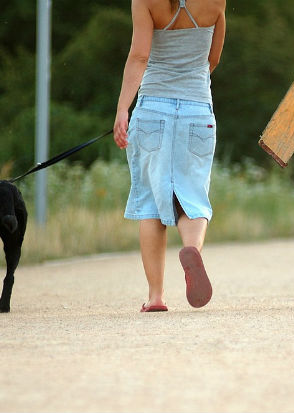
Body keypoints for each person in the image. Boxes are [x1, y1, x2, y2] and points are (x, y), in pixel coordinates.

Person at [113, 0, 226, 312]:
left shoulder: (145, 1)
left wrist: (123, 109)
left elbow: (139, 56)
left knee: (150, 201)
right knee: (194, 196)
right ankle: (192, 250)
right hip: (197, 108)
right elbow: (212, 58)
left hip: (152, 108)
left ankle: (156, 296)